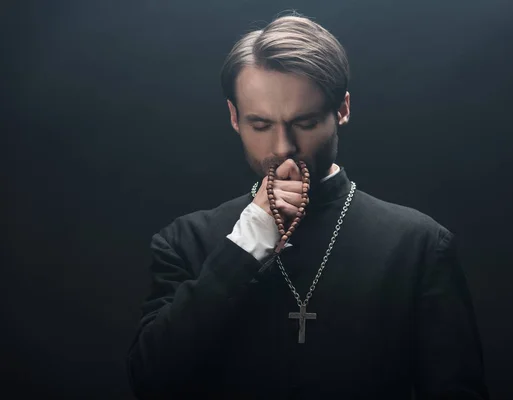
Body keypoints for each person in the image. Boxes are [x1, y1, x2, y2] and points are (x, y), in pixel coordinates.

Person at [127, 12, 489, 399]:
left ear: (342, 110)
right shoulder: (186, 241)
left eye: (305, 122)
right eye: (261, 125)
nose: (283, 146)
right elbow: (151, 380)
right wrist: (246, 244)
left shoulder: (419, 245)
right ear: (235, 118)